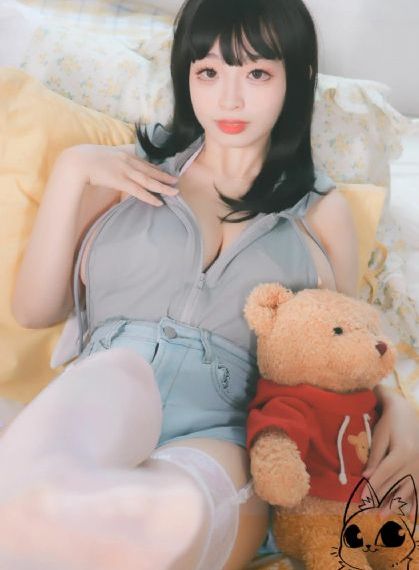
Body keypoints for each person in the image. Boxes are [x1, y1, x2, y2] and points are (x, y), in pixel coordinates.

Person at [4, 0, 419, 568]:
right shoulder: (122, 171)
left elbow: (336, 350)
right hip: (102, 400)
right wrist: (72, 170)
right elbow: (34, 310)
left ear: (296, 78)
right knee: (117, 379)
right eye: (208, 72)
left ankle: (57, 514)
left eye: (256, 74)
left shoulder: (322, 214)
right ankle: (48, 504)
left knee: (172, 511)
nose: (229, 99)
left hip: (223, 430)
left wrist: (396, 404)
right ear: (186, 75)